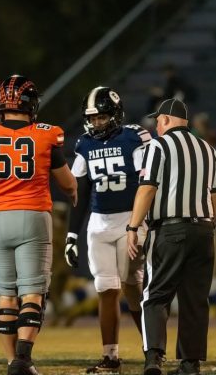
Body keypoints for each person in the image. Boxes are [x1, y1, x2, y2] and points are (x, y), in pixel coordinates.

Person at [0, 75, 77, 375]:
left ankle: (13, 362)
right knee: (33, 291)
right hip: (33, 215)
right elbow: (67, 182)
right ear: (30, 104)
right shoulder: (46, 135)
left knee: (7, 295)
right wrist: (74, 192)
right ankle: (23, 357)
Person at [126, 98, 216, 375]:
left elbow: (147, 188)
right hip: (203, 230)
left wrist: (133, 228)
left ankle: (153, 359)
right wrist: (209, 223)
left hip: (169, 229)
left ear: (167, 120)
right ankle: (190, 364)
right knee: (195, 299)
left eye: (158, 121)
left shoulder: (158, 146)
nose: (156, 126)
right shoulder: (208, 149)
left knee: (155, 296)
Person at [65, 86, 151, 374]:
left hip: (130, 220)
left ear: (115, 114)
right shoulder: (84, 145)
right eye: (93, 118)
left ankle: (152, 351)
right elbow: (79, 191)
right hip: (99, 224)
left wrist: (138, 223)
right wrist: (72, 235)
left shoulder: (133, 137)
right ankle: (110, 356)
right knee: (106, 289)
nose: (97, 123)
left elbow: (146, 183)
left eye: (102, 117)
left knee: (132, 287)